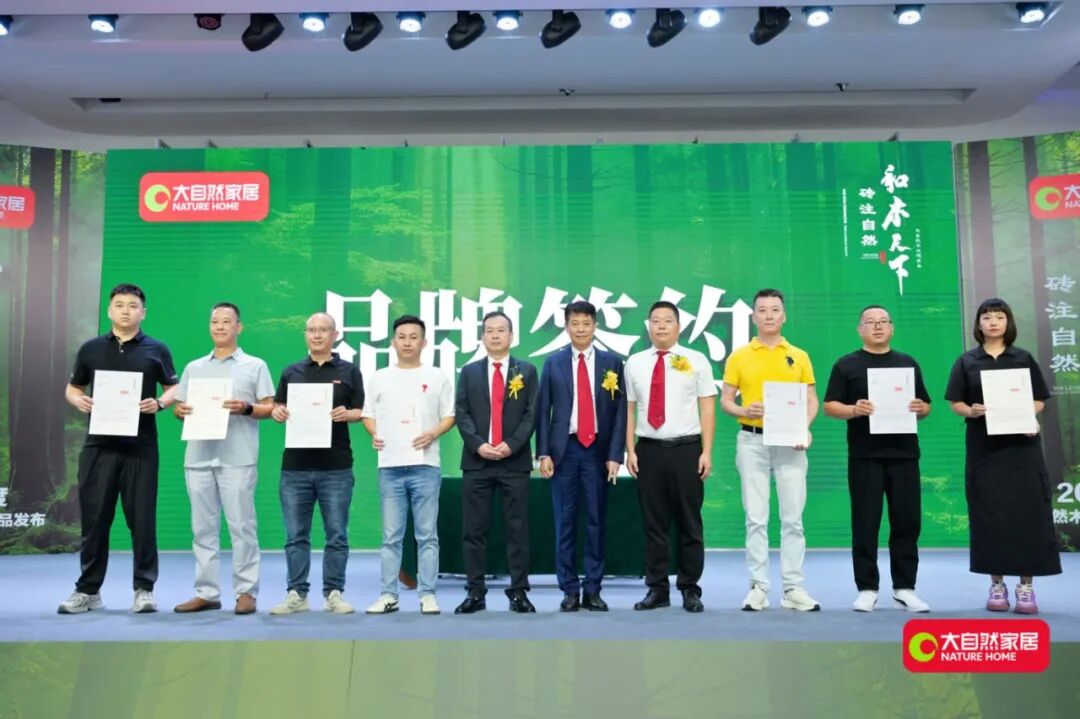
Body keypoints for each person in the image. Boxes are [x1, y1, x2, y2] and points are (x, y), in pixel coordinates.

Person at [58, 283, 179, 614]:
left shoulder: (157, 349)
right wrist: (78, 400)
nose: (126, 311)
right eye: (120, 305)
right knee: (95, 520)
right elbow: (72, 387)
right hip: (98, 447)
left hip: (141, 447)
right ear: (110, 310)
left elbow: (173, 386)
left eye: (133, 306)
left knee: (142, 521)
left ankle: (144, 589)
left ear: (143, 312)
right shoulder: (91, 349)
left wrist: (160, 403)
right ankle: (88, 590)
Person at [945, 298, 1060, 614]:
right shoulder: (967, 361)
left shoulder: (1023, 358)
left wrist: (1028, 415)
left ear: (1008, 322)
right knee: (990, 514)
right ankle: (997, 584)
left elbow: (1039, 400)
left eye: (999, 317)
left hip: (1022, 448)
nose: (993, 322)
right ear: (978, 324)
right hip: (984, 449)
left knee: (1028, 515)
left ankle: (1026, 587)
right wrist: (972, 410)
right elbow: (955, 402)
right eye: (987, 317)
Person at [823, 305, 932, 613]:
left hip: (904, 455)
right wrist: (853, 409)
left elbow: (926, 406)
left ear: (892, 328)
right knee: (865, 523)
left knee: (907, 523)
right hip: (865, 456)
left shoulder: (907, 363)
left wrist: (921, 409)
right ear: (860, 329)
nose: (878, 326)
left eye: (883, 321)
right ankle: (867, 588)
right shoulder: (846, 365)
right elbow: (830, 406)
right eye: (870, 322)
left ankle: (905, 588)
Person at [172, 302, 275, 615]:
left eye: (226, 321)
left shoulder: (254, 365)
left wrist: (246, 407)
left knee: (242, 527)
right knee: (202, 529)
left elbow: (269, 407)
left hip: (237, 458)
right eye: (215, 321)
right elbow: (179, 407)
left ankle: (246, 592)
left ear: (238, 327)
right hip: (198, 457)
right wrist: (180, 411)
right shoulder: (194, 367)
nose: (219, 326)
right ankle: (206, 592)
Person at [721, 288, 820, 612]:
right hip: (752, 442)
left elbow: (811, 400)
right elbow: (726, 401)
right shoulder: (739, 356)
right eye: (762, 310)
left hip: (790, 444)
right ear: (754, 316)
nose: (768, 315)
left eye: (774, 310)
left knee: (793, 518)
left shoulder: (799, 356)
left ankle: (793, 588)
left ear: (784, 315)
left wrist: (804, 427)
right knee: (756, 517)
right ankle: (758, 587)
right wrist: (743, 410)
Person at [268, 312, 364, 615]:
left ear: (335, 335)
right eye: (312, 330)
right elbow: (277, 406)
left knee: (337, 534)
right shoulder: (291, 371)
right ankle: (297, 594)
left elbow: (361, 411)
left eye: (324, 330)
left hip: (336, 466)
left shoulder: (350, 371)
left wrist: (348, 414)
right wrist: (277, 412)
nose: (317, 335)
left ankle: (334, 593)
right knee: (295, 536)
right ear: (305, 335)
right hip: (295, 467)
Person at [624, 300, 715, 613]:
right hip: (648, 449)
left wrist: (706, 451)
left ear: (679, 326)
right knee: (654, 523)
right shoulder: (635, 362)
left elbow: (707, 407)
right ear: (648, 326)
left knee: (690, 522)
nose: (661, 326)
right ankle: (657, 589)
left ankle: (690, 588)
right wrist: (630, 449)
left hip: (687, 449)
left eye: (667, 320)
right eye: (655, 321)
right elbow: (630, 409)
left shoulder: (696, 360)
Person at [361, 315, 455, 616]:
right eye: (401, 337)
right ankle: (389, 595)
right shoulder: (379, 377)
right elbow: (367, 414)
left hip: (425, 466)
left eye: (414, 337)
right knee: (391, 536)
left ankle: (428, 594)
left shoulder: (437, 376)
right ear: (393, 341)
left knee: (427, 535)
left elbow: (449, 415)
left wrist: (432, 434)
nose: (407, 342)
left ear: (424, 343)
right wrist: (375, 433)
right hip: (390, 467)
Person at [536, 301, 627, 612]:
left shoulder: (612, 363)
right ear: (566, 327)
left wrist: (615, 454)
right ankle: (569, 590)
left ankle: (593, 589)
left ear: (595, 326)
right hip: (565, 450)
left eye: (586, 323)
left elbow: (620, 413)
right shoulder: (554, 363)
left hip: (597, 452)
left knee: (595, 521)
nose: (580, 329)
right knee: (564, 521)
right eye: (575, 323)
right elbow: (543, 411)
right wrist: (543, 453)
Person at [453, 311, 539, 614]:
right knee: (474, 530)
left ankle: (519, 592)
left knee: (517, 529)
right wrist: (479, 445)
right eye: (489, 330)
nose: (495, 335)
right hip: (477, 462)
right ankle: (475, 592)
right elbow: (461, 412)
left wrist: (511, 444)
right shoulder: (470, 372)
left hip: (514, 462)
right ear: (482, 336)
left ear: (511, 336)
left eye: (501, 330)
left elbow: (531, 413)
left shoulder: (526, 371)